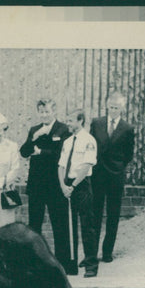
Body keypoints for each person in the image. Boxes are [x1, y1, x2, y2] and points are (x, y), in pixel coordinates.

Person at [19, 98, 71, 269]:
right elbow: (24, 152)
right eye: (41, 112)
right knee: (34, 225)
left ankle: (62, 262)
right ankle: (34, 262)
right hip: (36, 185)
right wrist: (33, 138)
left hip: (56, 184)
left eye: (47, 111)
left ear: (54, 111)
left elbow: (61, 154)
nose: (44, 115)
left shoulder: (63, 129)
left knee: (60, 224)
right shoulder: (35, 129)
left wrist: (41, 151)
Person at [90, 91, 135, 263]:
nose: (113, 110)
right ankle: (92, 253)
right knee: (95, 213)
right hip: (97, 175)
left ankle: (107, 251)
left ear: (122, 108)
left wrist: (119, 168)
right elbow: (91, 146)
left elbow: (128, 154)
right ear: (107, 106)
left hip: (116, 177)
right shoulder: (97, 123)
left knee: (113, 214)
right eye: (110, 107)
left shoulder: (127, 128)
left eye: (116, 108)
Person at [58, 109, 98, 277]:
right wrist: (63, 185)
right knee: (68, 226)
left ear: (80, 121)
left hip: (81, 186)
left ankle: (90, 265)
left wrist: (73, 186)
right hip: (67, 186)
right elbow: (60, 166)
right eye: (67, 120)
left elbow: (86, 166)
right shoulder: (67, 142)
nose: (68, 123)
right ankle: (71, 265)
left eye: (71, 120)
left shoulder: (89, 141)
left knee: (87, 225)